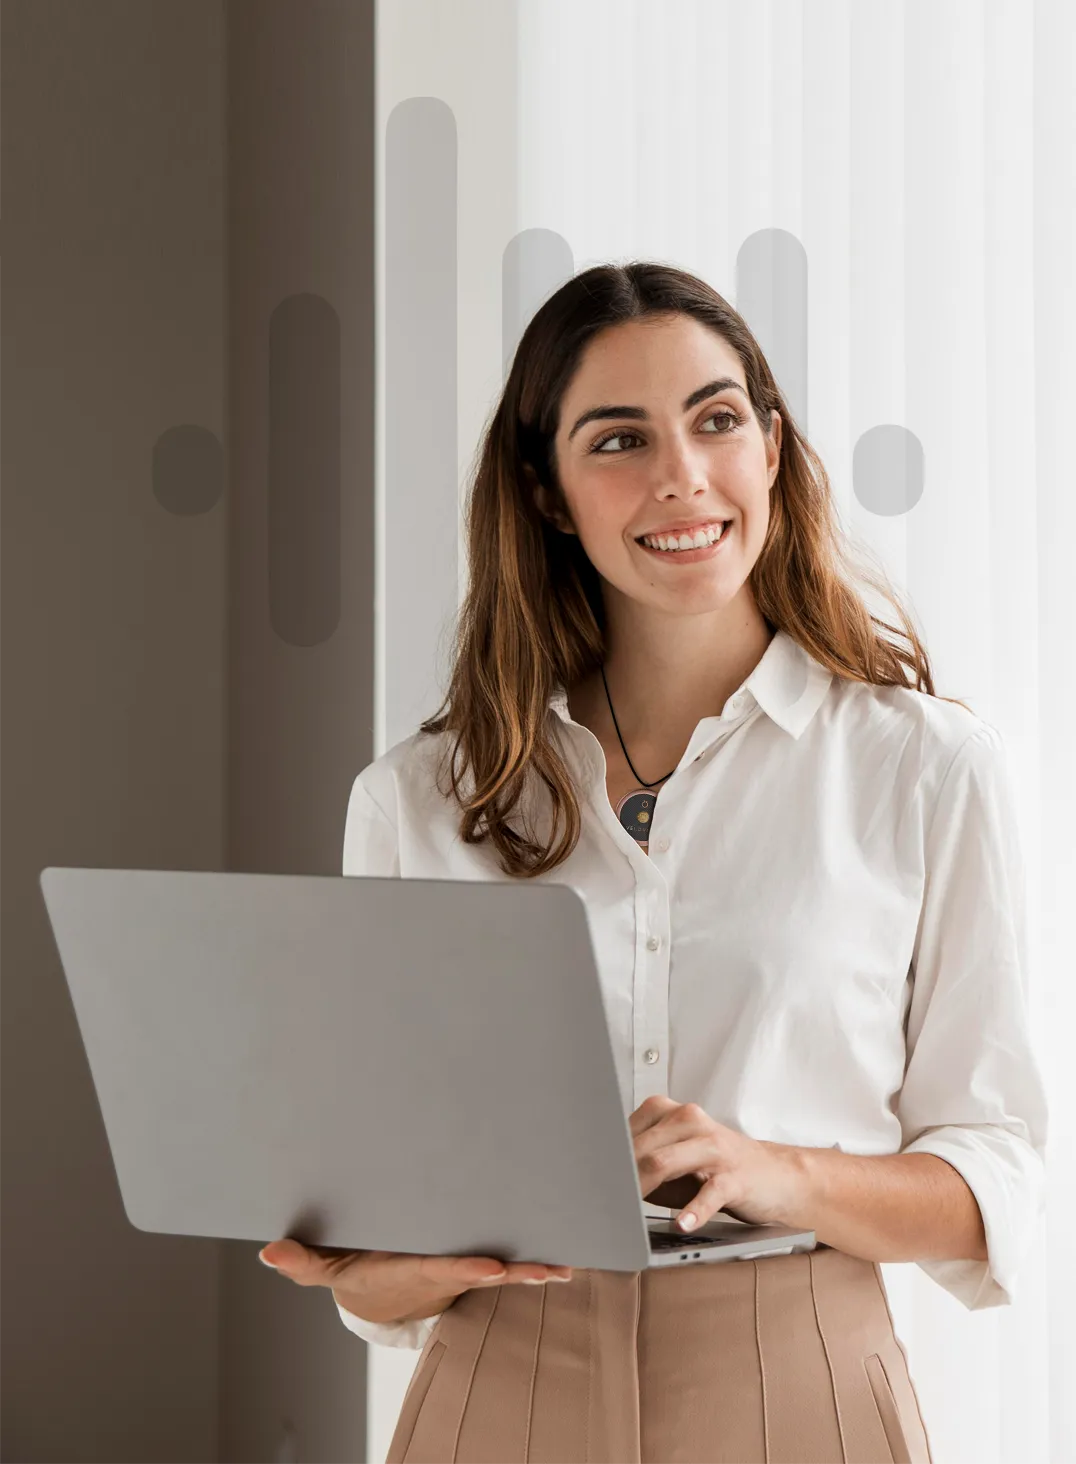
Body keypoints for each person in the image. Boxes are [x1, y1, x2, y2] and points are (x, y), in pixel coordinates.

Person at [256, 262, 1048, 1462]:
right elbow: (375, 1296)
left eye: (716, 419)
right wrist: (376, 1268)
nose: (680, 474)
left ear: (771, 450)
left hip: (801, 1375)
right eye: (617, 439)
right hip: (498, 1372)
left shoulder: (920, 768)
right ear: (550, 493)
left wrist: (764, 1168)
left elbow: (990, 1177)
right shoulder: (420, 799)